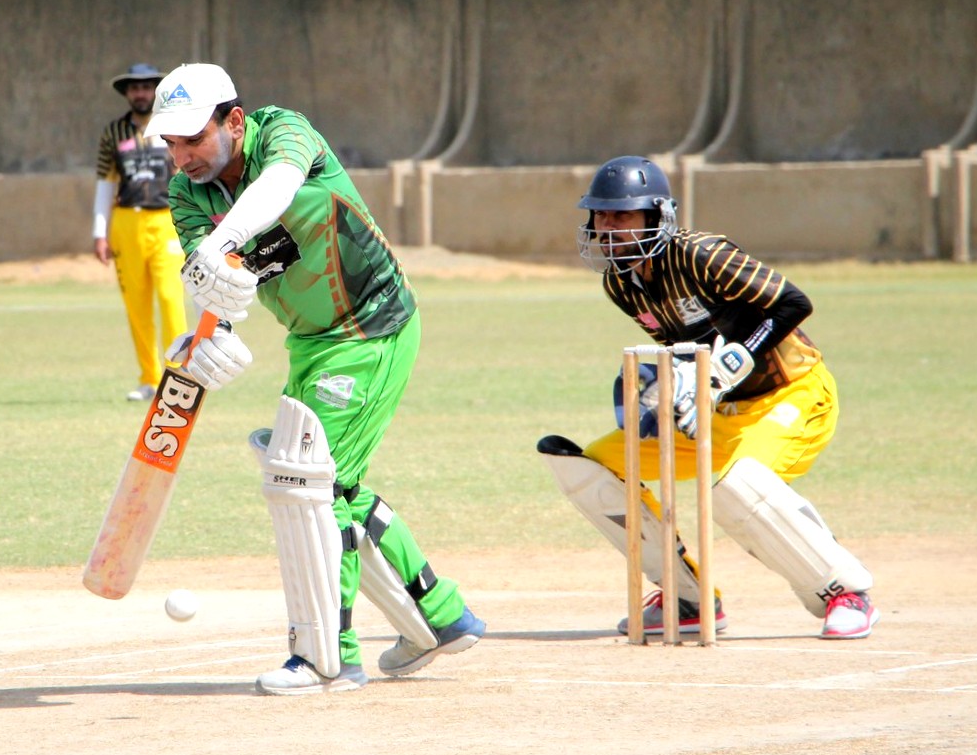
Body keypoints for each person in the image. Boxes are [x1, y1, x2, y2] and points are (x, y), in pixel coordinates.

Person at [146, 62, 485, 695]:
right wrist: (209, 336)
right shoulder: (188, 195)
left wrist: (225, 242)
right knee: (331, 485)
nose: (182, 156)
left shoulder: (284, 131)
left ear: (234, 121)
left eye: (193, 138)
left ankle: (328, 658)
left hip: (372, 326)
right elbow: (215, 284)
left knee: (307, 485)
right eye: (171, 142)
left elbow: (276, 187)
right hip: (311, 342)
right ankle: (440, 617)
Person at [537, 155, 879, 640]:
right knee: (592, 467)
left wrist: (741, 354)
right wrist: (672, 391)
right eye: (601, 215)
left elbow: (792, 303)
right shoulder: (620, 285)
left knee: (740, 486)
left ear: (657, 216)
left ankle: (844, 592)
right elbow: (681, 345)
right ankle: (688, 596)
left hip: (793, 392)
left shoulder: (701, 254)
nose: (608, 227)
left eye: (622, 215)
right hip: (722, 408)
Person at [92, 62, 189, 401]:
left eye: (147, 87)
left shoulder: (172, 128)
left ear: (155, 92)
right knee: (137, 304)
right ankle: (149, 379)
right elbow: (106, 182)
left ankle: (178, 378)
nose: (141, 93)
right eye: (135, 88)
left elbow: (188, 173)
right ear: (127, 93)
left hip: (167, 222)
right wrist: (100, 232)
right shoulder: (114, 132)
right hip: (127, 223)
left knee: (170, 298)